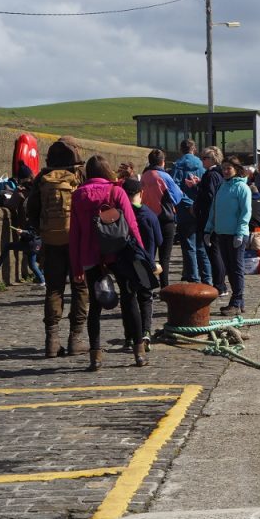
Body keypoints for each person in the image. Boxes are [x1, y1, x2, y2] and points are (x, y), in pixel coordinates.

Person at [69, 155, 146, 371]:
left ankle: (95, 356)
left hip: (91, 256)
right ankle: (139, 352)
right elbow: (132, 226)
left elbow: (74, 234)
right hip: (119, 254)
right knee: (130, 300)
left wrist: (76, 267)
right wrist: (142, 257)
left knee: (94, 305)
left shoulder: (78, 196)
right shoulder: (117, 192)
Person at [26, 137, 89, 358]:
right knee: (80, 287)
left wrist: (43, 230)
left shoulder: (43, 178)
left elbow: (31, 209)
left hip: (51, 241)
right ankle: (76, 339)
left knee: (54, 289)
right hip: (76, 241)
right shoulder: (80, 175)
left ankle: (52, 340)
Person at [204, 156, 251, 316]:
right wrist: (208, 229)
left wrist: (240, 232)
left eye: (228, 168)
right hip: (222, 233)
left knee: (236, 269)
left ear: (236, 169)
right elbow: (214, 209)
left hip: (236, 234)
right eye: (223, 168)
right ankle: (239, 301)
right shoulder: (222, 187)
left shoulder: (242, 188)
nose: (224, 171)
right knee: (229, 269)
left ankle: (236, 302)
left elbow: (245, 213)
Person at [119, 178, 161, 354]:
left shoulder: (119, 214)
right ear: (141, 193)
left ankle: (129, 336)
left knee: (128, 299)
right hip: (145, 263)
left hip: (124, 263)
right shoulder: (149, 215)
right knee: (145, 298)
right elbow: (159, 239)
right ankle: (145, 333)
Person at [140, 149, 184, 289]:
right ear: (163, 162)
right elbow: (177, 196)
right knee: (164, 256)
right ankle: (164, 287)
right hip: (165, 218)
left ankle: (148, 286)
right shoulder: (164, 176)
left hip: (147, 218)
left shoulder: (144, 176)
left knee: (149, 254)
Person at [171, 139, 208, 284]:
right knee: (201, 246)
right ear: (194, 149)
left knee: (188, 246)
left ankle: (193, 277)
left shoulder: (178, 166)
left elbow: (175, 189)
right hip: (200, 209)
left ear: (181, 149)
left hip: (185, 212)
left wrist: (188, 204)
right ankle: (207, 277)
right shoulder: (202, 165)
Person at [193, 146, 227, 296]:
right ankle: (220, 284)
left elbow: (210, 197)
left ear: (211, 159)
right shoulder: (218, 174)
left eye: (204, 158)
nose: (202, 161)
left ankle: (219, 285)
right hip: (216, 219)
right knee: (216, 252)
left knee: (214, 253)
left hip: (208, 219)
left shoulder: (211, 175)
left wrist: (197, 203)